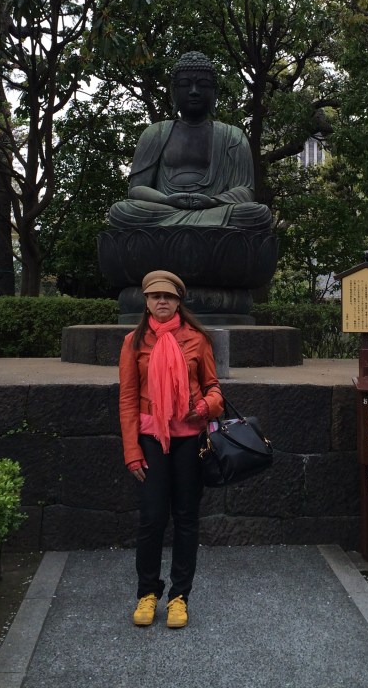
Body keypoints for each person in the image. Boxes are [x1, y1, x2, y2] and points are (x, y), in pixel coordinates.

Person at [119, 268, 224, 628]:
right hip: (150, 438)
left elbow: (214, 390)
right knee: (151, 517)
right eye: (154, 296)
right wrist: (132, 450)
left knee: (186, 518)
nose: (161, 301)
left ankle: (180, 596)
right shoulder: (134, 342)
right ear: (146, 302)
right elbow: (128, 399)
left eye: (168, 296)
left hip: (189, 439)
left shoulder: (197, 339)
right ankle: (147, 592)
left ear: (179, 300)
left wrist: (204, 407)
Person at [107, 51, 272, 230]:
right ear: (173, 92)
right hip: (165, 209)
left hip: (214, 210)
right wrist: (166, 199)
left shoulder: (233, 136)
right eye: (185, 85)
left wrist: (212, 201)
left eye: (203, 85)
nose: (194, 91)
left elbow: (245, 192)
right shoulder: (155, 133)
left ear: (215, 92)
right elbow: (136, 189)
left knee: (257, 214)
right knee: (121, 211)